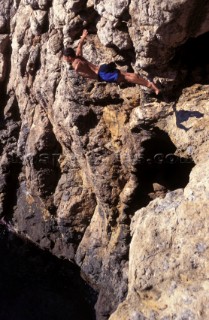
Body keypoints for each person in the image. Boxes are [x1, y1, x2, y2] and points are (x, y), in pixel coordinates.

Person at [62, 30, 160, 95]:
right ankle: (148, 83)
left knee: (127, 78)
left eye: (65, 57)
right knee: (127, 75)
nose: (64, 59)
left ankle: (150, 85)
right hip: (102, 68)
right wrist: (83, 37)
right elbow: (79, 45)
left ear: (69, 57)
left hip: (102, 75)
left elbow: (82, 69)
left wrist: (78, 69)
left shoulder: (76, 66)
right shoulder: (79, 56)